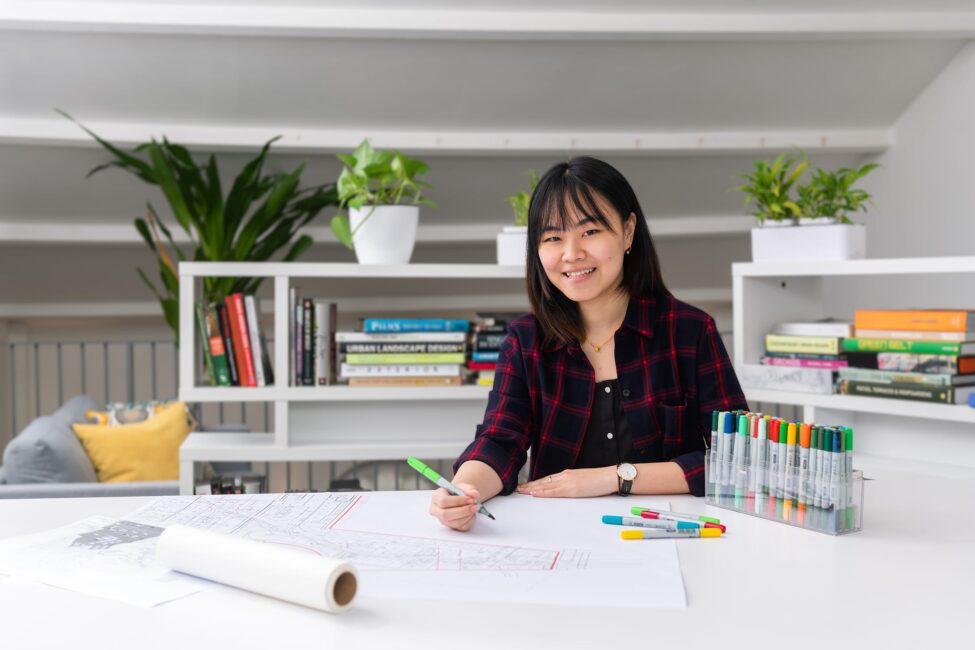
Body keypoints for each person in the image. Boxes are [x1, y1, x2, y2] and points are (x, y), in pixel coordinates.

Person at [429, 156, 748, 531]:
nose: (571, 253)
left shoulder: (690, 331)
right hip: (561, 538)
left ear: (628, 232)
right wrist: (465, 490)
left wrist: (615, 477)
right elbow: (500, 441)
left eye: (590, 232)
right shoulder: (525, 341)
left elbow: (736, 460)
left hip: (676, 534)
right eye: (552, 237)